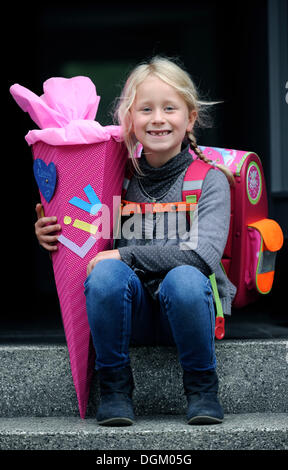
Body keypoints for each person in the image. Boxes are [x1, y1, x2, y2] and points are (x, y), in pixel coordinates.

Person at [35, 56, 236, 427]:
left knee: (185, 277)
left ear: (190, 118)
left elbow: (202, 257)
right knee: (106, 275)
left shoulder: (210, 181)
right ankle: (113, 388)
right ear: (129, 120)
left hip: (189, 309)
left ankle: (202, 388)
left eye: (169, 108)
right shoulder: (114, 178)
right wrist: (54, 230)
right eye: (145, 109)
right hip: (133, 313)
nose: (157, 118)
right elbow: (86, 238)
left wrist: (125, 253)